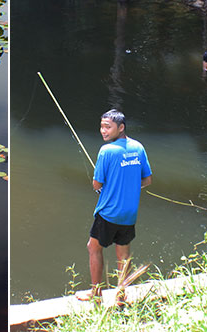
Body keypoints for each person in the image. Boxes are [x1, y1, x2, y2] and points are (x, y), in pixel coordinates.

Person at [76, 109, 152, 304]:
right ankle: (121, 295)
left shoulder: (106, 151)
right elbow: (147, 180)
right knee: (123, 252)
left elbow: (96, 184)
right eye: (102, 126)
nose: (103, 131)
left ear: (121, 127)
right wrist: (128, 185)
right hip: (129, 213)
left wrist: (111, 187)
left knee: (93, 248)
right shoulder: (138, 147)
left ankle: (96, 294)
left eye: (108, 127)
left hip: (109, 212)